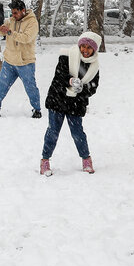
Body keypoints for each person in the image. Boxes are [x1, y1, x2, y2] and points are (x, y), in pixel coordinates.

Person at [40, 31, 101, 176]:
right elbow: (58, 77)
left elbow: (93, 87)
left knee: (78, 133)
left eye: (89, 48)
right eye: (83, 46)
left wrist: (83, 89)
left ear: (94, 49)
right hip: (58, 100)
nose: (85, 50)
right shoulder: (66, 56)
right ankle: (45, 160)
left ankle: (86, 159)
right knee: (53, 132)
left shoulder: (94, 67)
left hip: (76, 103)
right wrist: (70, 81)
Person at [0, 0, 42, 119]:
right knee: (1, 86)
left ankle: (37, 109)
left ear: (23, 11)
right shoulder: (10, 21)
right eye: (12, 13)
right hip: (10, 61)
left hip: (25, 62)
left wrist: (10, 32)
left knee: (30, 87)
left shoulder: (32, 22)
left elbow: (26, 38)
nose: (13, 15)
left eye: (15, 13)